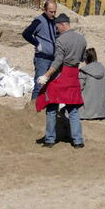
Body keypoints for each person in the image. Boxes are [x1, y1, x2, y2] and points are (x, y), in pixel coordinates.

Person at [36, 14, 87, 148]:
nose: (56, 30)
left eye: (57, 27)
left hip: (61, 75)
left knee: (51, 107)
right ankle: (77, 141)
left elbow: (58, 61)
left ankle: (50, 139)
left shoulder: (61, 40)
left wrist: (46, 76)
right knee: (73, 109)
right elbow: (82, 58)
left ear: (63, 24)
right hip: (74, 75)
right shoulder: (82, 39)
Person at [22, 0, 58, 101]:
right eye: (51, 11)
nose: (53, 14)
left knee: (51, 86)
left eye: (55, 11)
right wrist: (37, 44)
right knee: (39, 85)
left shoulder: (54, 21)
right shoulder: (39, 20)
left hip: (53, 58)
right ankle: (33, 109)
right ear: (45, 10)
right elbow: (26, 33)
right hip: (42, 59)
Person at [78, 48, 105, 120]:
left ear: (86, 58)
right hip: (101, 111)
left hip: (86, 112)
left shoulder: (84, 71)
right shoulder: (103, 69)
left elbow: (79, 88)